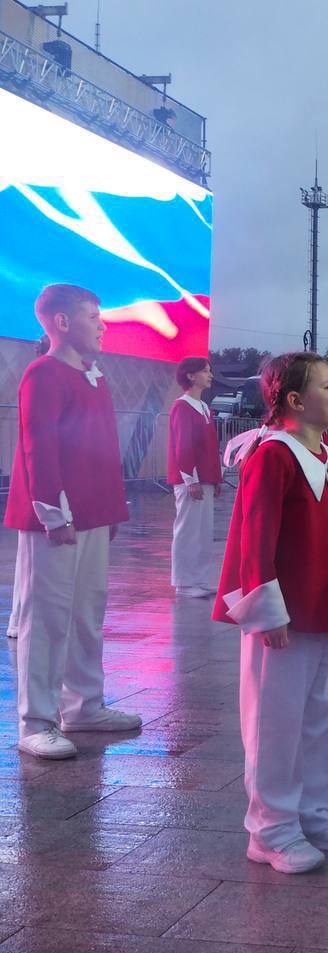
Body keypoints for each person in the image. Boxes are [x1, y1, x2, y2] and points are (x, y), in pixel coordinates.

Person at [215, 352, 328, 874]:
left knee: (318, 716)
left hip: (320, 607)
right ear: (296, 400)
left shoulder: (322, 455)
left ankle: (312, 814)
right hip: (282, 615)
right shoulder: (273, 454)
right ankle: (270, 829)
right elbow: (255, 538)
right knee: (274, 721)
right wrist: (267, 610)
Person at [5, 284, 139, 759]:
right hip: (55, 518)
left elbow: (102, 451)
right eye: (92, 316)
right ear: (61, 323)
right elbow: (39, 449)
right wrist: (52, 514)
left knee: (87, 613)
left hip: (91, 515)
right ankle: (36, 721)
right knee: (46, 617)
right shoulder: (42, 375)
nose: (102, 325)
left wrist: (109, 510)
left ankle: (83, 705)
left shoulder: (94, 377)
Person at [168, 356, 222, 598]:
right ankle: (183, 582)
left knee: (202, 531)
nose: (210, 375)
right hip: (191, 480)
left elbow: (209, 446)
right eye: (205, 371)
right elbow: (183, 446)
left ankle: (200, 578)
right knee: (188, 530)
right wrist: (190, 479)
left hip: (206, 478)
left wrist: (215, 478)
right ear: (190, 376)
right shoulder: (182, 406)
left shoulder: (204, 408)